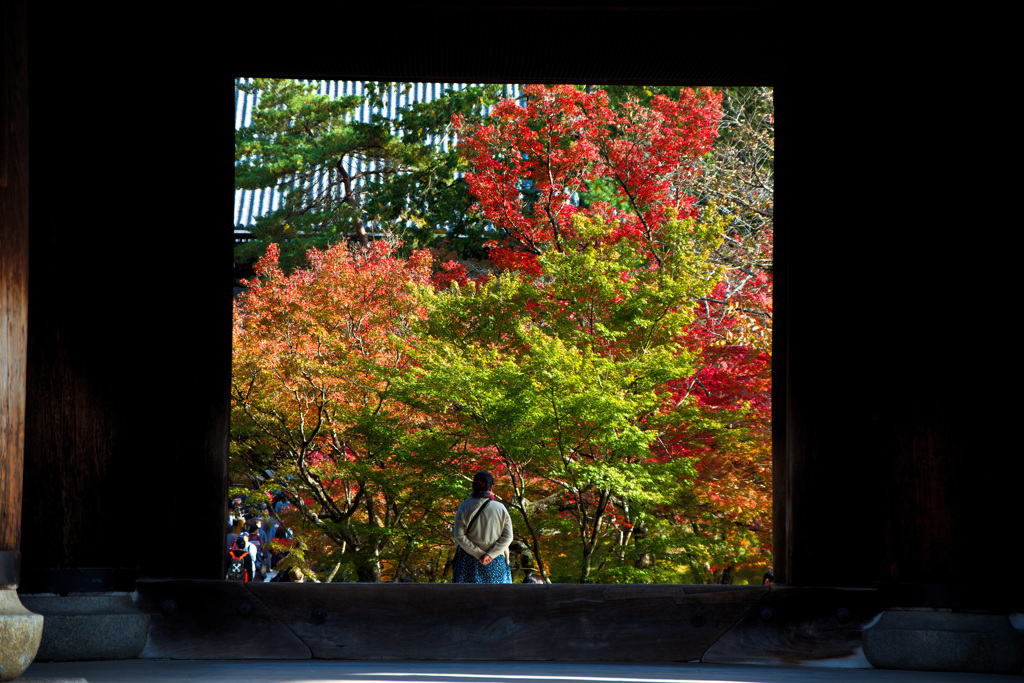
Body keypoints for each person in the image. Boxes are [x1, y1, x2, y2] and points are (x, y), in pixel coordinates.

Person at [451, 471, 514, 584]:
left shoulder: (464, 507)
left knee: (468, 597)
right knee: (498, 597)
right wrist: (490, 555)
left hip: (468, 560)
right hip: (496, 560)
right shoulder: (500, 508)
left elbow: (459, 536)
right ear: (490, 488)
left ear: (473, 486)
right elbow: (508, 537)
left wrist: (479, 553)